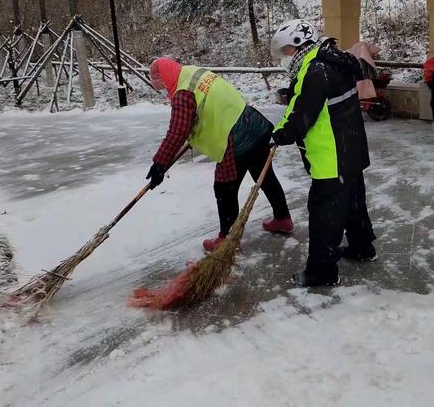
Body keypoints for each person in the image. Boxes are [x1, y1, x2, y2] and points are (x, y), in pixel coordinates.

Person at [270, 19, 377, 287]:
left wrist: (280, 136)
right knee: (353, 202)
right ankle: (363, 248)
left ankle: (322, 271)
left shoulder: (315, 71)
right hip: (351, 149)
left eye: (285, 51)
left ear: (297, 45)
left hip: (332, 155)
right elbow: (301, 103)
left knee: (324, 212)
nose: (285, 58)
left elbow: (302, 116)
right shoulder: (333, 61)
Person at [147, 57, 293, 252]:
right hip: (253, 122)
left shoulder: (183, 93)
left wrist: (160, 164)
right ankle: (282, 218)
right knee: (264, 175)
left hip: (234, 138)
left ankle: (227, 239)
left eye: (163, 86)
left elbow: (176, 133)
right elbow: (207, 105)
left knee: (225, 188)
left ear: (165, 78)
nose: (165, 90)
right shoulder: (192, 72)